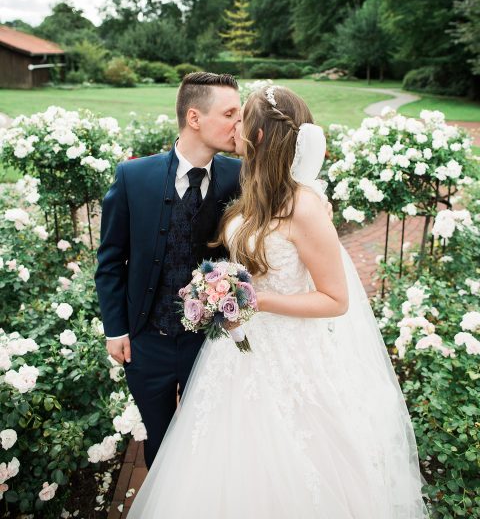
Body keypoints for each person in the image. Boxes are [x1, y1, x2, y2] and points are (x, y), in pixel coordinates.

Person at [127, 85, 429, 518]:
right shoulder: (253, 189)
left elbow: (335, 299)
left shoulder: (304, 206)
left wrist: (256, 299)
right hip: (235, 352)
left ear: (262, 134)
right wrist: (220, 288)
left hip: (289, 354)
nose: (235, 126)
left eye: (242, 117)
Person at [94, 72, 242, 469]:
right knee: (159, 444)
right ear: (194, 118)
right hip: (147, 343)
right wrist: (117, 329)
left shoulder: (239, 177)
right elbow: (110, 261)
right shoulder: (133, 177)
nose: (239, 124)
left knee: (212, 440)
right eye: (230, 114)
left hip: (211, 343)